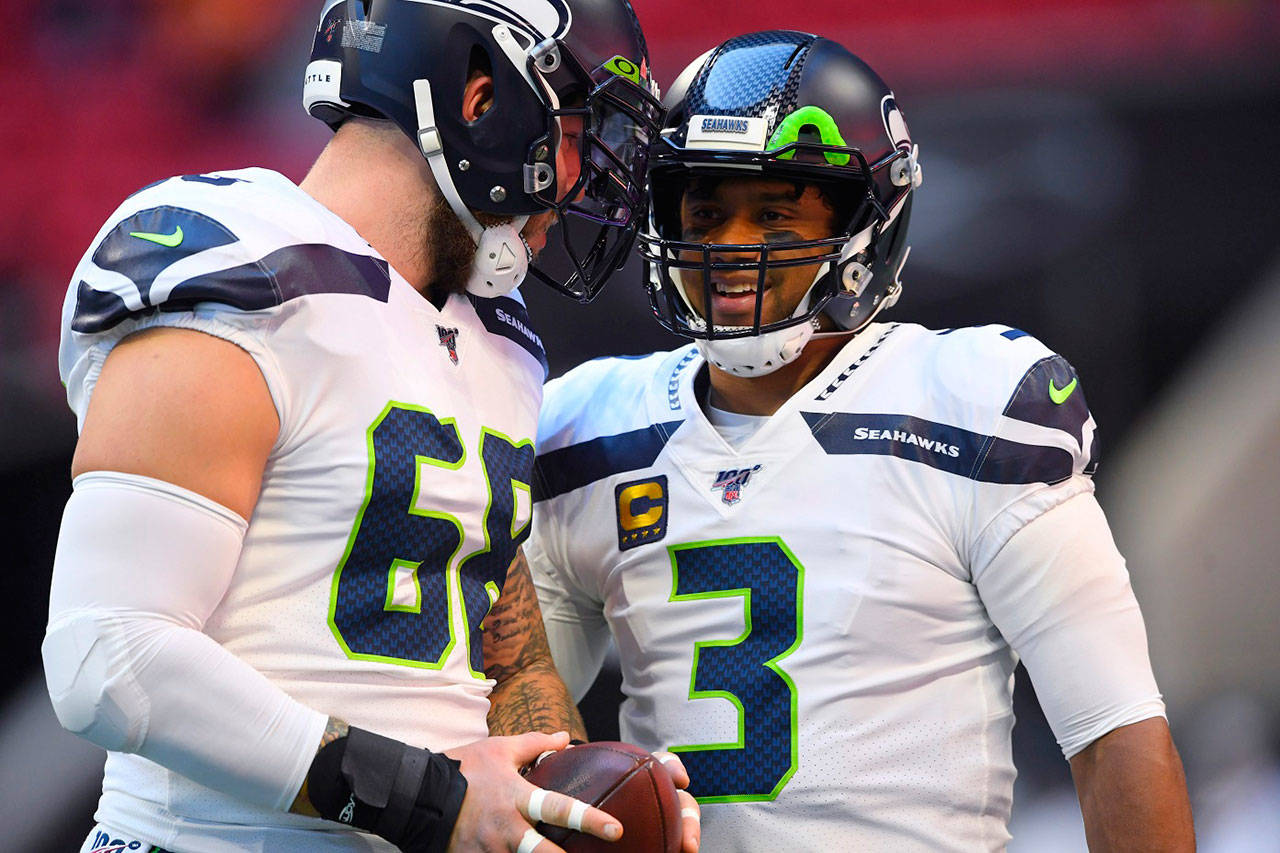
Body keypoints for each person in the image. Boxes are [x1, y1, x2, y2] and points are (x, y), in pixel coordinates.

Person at [42, 1, 698, 851]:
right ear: (481, 99)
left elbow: (507, 653)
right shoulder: (240, 267)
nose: (579, 178)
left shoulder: (501, 341)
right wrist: (433, 802)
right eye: (574, 131)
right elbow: (109, 659)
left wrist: (570, 799)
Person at [527, 30, 1195, 851]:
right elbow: (522, 727)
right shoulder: (589, 426)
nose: (730, 245)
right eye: (705, 212)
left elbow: (1114, 733)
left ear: (867, 224)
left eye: (773, 213)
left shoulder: (972, 404)